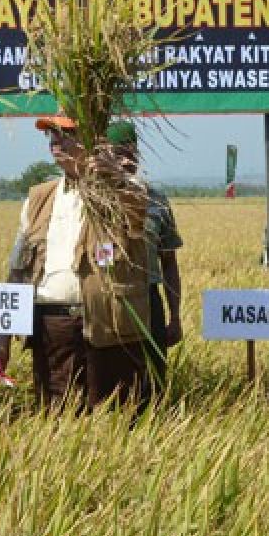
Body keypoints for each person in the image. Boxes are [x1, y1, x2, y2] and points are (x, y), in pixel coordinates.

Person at [0, 115, 151, 412]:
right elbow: (18, 270)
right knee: (57, 418)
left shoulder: (121, 189)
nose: (55, 142)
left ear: (92, 139)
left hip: (109, 326)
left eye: (65, 134)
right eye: (51, 135)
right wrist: (3, 338)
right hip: (53, 327)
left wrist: (113, 176)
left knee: (115, 419)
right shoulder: (39, 198)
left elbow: (138, 220)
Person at [106, 120, 183, 394]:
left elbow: (169, 262)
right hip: (109, 298)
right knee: (113, 383)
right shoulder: (94, 201)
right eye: (118, 154)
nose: (126, 161)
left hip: (149, 296)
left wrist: (175, 316)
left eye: (131, 153)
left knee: (153, 381)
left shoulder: (156, 200)